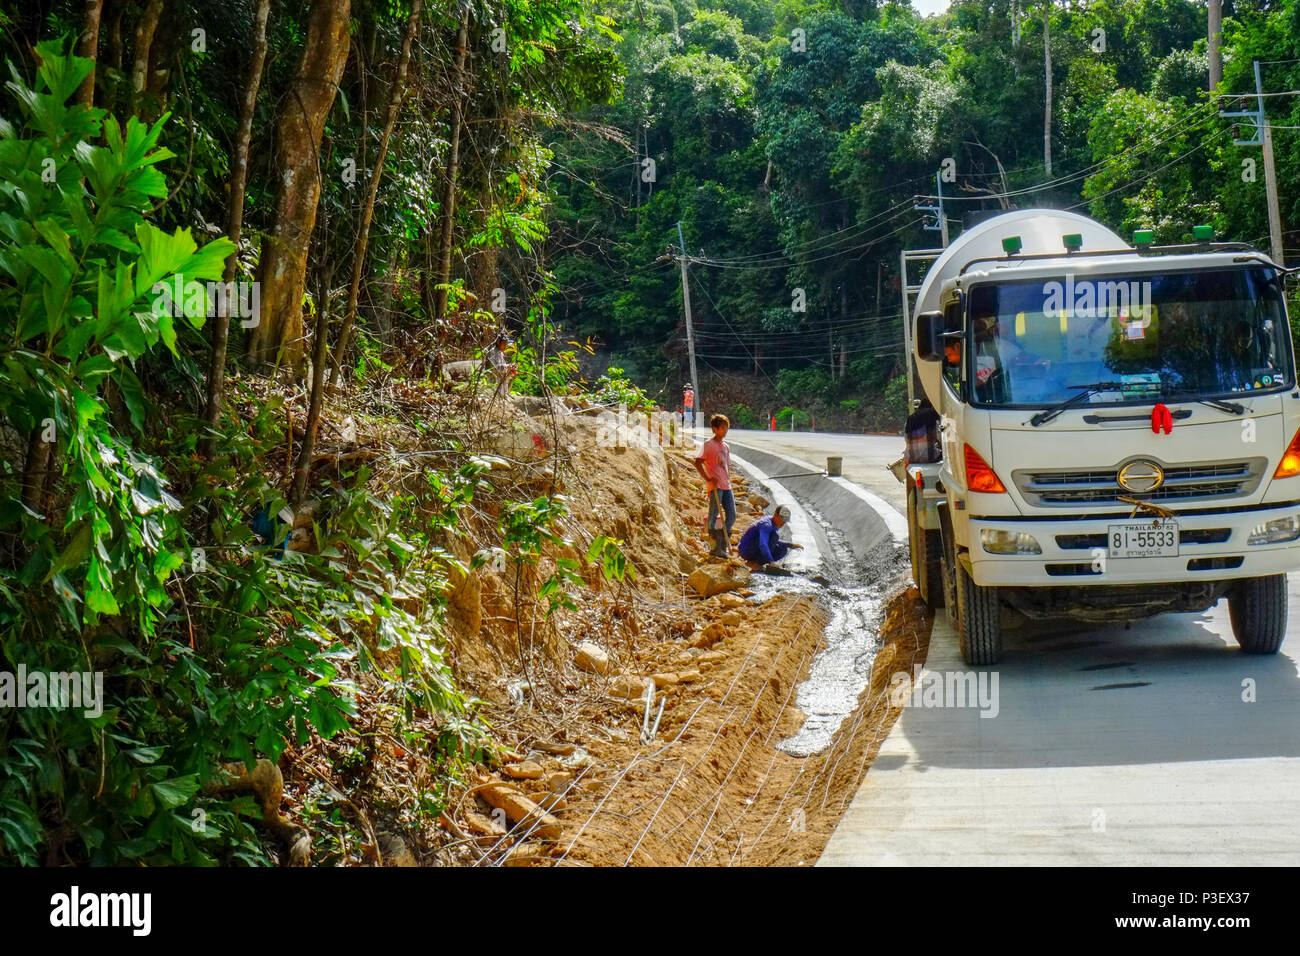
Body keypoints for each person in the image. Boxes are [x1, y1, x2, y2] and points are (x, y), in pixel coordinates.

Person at [693, 413, 734, 558]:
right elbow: (697, 462)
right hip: (715, 487)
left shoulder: (726, 447)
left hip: (726, 486)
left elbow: (726, 466)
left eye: (726, 427)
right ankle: (715, 547)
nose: (725, 430)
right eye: (722, 428)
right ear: (715, 429)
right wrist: (708, 479)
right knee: (713, 518)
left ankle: (722, 544)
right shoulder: (708, 445)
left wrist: (730, 480)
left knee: (732, 516)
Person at [738, 505, 804, 571]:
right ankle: (755, 564)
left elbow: (773, 541)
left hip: (753, 546)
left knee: (783, 549)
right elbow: (763, 544)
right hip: (745, 549)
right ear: (775, 515)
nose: (783, 523)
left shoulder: (773, 522)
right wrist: (771, 561)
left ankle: (760, 563)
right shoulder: (766, 525)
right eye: (782, 519)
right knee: (775, 536)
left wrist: (791, 545)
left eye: (784, 521)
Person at [904, 397, 942, 463]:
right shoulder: (933, 414)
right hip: (930, 458)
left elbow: (906, 438)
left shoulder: (910, 418)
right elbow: (940, 436)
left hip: (910, 458)